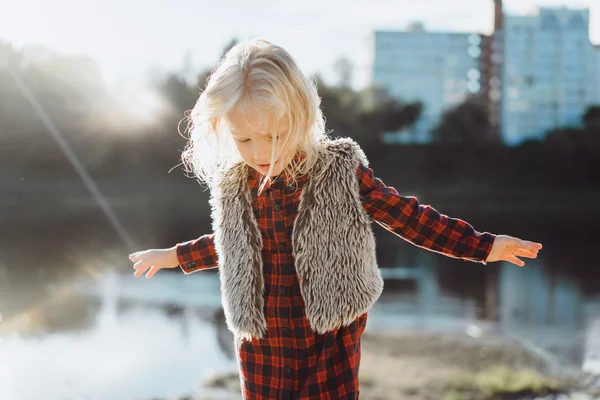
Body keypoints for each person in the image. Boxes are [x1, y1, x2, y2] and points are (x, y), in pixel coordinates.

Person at [128, 38, 542, 400]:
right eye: (244, 139)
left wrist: (484, 246)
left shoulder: (339, 171)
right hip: (262, 341)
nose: (259, 151)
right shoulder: (236, 184)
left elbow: (407, 217)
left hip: (329, 332)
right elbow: (230, 242)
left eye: (274, 136)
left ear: (301, 115)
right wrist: (173, 257)